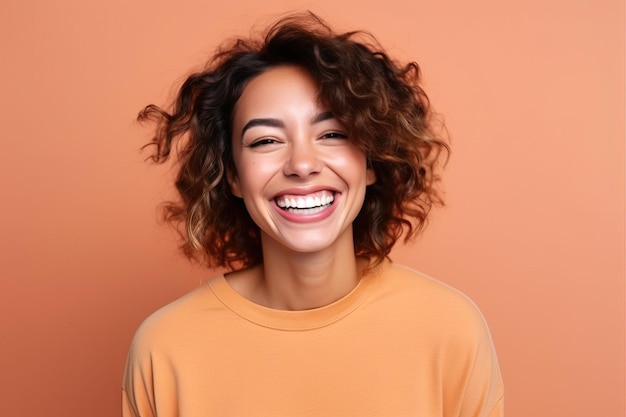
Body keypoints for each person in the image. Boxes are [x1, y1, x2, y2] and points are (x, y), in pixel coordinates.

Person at [122, 12, 504, 417]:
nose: (302, 164)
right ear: (232, 175)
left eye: (333, 134)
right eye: (266, 140)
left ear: (372, 161)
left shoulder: (449, 328)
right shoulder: (165, 349)